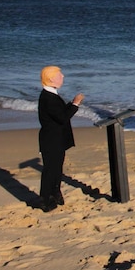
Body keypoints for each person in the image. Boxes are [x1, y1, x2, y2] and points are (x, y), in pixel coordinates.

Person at [37, 66, 84, 212]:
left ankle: (55, 194)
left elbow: (60, 113)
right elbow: (62, 117)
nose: (62, 76)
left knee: (57, 169)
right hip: (51, 140)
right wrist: (75, 104)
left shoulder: (52, 95)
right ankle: (45, 200)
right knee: (50, 170)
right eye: (59, 75)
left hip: (57, 139)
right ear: (51, 79)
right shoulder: (48, 97)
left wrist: (70, 104)